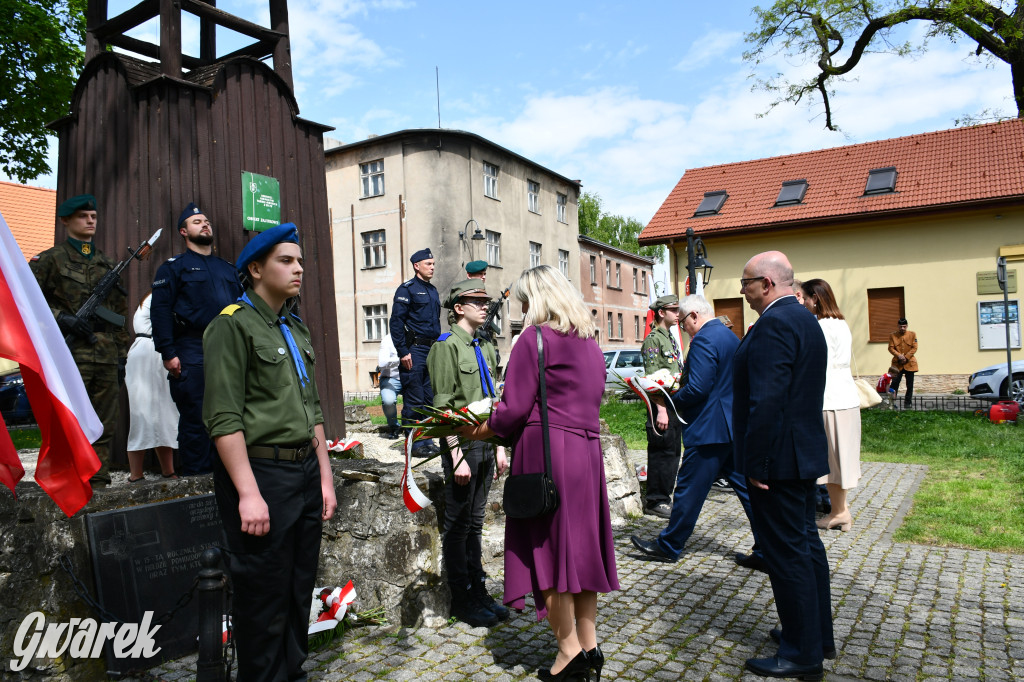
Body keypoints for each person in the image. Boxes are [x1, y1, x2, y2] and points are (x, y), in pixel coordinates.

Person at [459, 265, 619, 682]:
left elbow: (512, 409)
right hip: (585, 456)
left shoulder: (534, 338)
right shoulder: (589, 342)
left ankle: (568, 654)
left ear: (538, 301)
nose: (524, 310)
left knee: (544, 552)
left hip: (546, 456)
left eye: (526, 302)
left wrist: (475, 427)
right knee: (581, 553)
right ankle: (590, 646)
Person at [203, 223, 337, 682]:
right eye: (286, 260)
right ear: (256, 269)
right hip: (261, 474)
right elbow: (223, 418)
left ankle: (292, 673)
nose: (298, 268)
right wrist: (248, 493)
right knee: (262, 596)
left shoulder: (294, 329)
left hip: (301, 471)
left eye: (300, 261)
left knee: (299, 590)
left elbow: (312, 409)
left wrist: (324, 477)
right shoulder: (231, 326)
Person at [734, 251, 834, 680]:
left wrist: (756, 462)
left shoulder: (775, 323)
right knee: (807, 547)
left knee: (787, 554)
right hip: (802, 452)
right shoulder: (805, 318)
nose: (743, 291)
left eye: (747, 283)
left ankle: (801, 652)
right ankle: (814, 633)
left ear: (768, 284)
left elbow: (768, 399)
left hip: (779, 460)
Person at [630, 295, 764, 570]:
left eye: (684, 323)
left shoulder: (704, 339)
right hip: (729, 427)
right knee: (747, 492)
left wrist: (666, 400)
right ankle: (767, 547)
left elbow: (699, 388)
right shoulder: (728, 336)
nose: (683, 329)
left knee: (689, 489)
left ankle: (669, 545)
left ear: (693, 316)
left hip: (709, 429)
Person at [30, 193, 130, 487]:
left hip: (106, 352)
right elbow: (29, 302)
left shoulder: (108, 264)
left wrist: (122, 354)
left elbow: (120, 315)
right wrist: (62, 317)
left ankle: (97, 478)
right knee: (69, 419)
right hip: (70, 353)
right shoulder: (49, 260)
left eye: (94, 216)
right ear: (66, 221)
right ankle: (68, 478)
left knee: (103, 420)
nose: (90, 221)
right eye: (83, 216)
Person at [426, 280, 510, 628]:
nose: (484, 306)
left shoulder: (485, 346)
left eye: (485, 301)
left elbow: (495, 401)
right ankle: (462, 598)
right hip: (462, 446)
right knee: (458, 526)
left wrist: (500, 446)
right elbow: (442, 409)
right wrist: (456, 456)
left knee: (476, 523)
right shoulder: (445, 348)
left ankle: (479, 590)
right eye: (475, 301)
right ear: (458, 307)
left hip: (486, 446)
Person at [151, 202, 241, 475]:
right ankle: (197, 484)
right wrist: (168, 352)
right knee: (196, 418)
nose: (205, 224)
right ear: (183, 231)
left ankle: (227, 479)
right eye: (196, 222)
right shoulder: (174, 268)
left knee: (231, 416)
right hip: (192, 348)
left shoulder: (228, 269)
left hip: (228, 349)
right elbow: (161, 311)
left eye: (206, 221)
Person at [800, 279, 862, 532]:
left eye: (804, 298)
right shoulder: (841, 323)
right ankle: (841, 511)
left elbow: (817, 365)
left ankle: (839, 512)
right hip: (845, 397)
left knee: (832, 460)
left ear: (815, 298)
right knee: (841, 459)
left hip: (831, 399)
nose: (802, 303)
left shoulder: (822, 326)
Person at [390, 248, 441, 455]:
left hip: (432, 349)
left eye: (433, 264)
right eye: (428, 264)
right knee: (414, 397)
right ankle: (415, 443)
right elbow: (396, 323)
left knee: (429, 398)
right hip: (415, 350)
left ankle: (427, 440)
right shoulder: (407, 289)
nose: (432, 267)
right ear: (416, 266)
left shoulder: (433, 290)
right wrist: (403, 351)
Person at [639, 294, 684, 519]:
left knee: (673, 452)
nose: (678, 313)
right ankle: (655, 500)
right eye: (674, 309)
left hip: (673, 404)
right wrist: (662, 410)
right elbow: (652, 379)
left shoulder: (669, 337)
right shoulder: (653, 340)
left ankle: (664, 496)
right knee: (662, 452)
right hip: (661, 406)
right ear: (661, 313)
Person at [125, 293, 178, 482]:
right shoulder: (160, 296)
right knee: (141, 414)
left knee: (164, 414)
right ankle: (136, 475)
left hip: (155, 351)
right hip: (149, 352)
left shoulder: (155, 296)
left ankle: (168, 471)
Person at [888, 318, 918, 408]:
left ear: (907, 326)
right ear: (898, 326)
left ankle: (907, 403)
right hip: (897, 364)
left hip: (910, 363)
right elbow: (890, 348)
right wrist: (898, 355)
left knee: (910, 385)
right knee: (894, 384)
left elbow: (915, 347)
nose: (902, 328)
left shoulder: (912, 334)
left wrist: (906, 357)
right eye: (900, 326)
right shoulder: (893, 335)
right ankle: (892, 403)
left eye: (904, 326)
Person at [377, 333, 403, 439]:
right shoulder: (388, 339)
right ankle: (394, 426)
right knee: (388, 401)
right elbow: (382, 363)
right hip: (391, 378)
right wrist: (400, 360)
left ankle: (413, 427)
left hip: (411, 378)